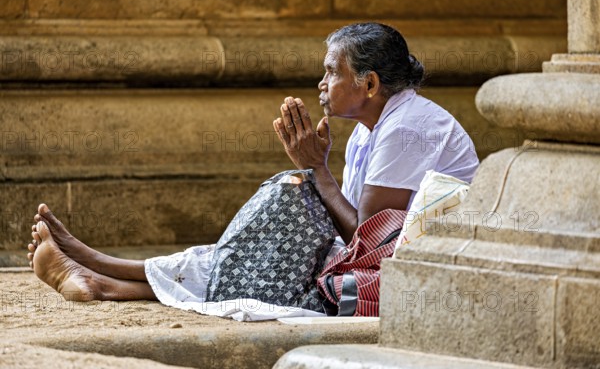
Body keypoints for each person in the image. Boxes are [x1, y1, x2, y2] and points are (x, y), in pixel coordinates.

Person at [26, 23, 479, 303]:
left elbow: (367, 242)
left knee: (292, 194)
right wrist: (312, 171)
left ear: (370, 83)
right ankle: (103, 278)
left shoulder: (408, 128)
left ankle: (104, 272)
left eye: (331, 72)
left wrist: (316, 169)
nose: (321, 83)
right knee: (281, 214)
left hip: (409, 276)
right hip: (378, 261)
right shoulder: (375, 125)